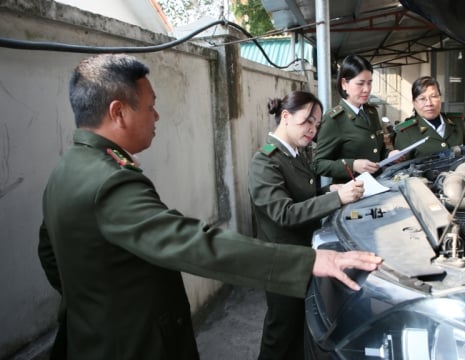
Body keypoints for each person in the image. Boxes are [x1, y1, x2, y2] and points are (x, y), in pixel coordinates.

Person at [37, 54, 383, 360]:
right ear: (118, 112)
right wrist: (308, 261)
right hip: (132, 344)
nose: (157, 116)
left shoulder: (68, 168)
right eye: (150, 106)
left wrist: (91, 302)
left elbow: (51, 255)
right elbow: (194, 244)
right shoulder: (110, 180)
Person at [248, 91, 365, 360]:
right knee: (281, 334)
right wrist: (335, 199)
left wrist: (330, 191)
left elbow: (303, 196)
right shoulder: (265, 161)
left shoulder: (295, 155)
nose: (313, 130)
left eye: (316, 124)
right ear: (286, 117)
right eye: (307, 122)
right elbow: (284, 212)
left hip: (303, 257)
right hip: (281, 262)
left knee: (299, 331)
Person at [313, 54, 398, 183]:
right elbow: (318, 164)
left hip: (378, 184)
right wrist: (352, 165)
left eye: (369, 83)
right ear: (344, 84)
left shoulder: (371, 112)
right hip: (352, 192)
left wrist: (389, 155)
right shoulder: (334, 119)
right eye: (360, 83)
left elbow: (377, 151)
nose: (367, 89)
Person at [393, 76, 465, 159]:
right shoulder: (406, 131)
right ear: (414, 103)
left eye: (434, 96)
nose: (429, 103)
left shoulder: (457, 122)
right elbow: (401, 168)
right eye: (422, 99)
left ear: (440, 98)